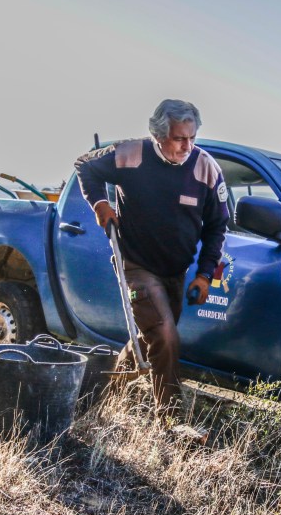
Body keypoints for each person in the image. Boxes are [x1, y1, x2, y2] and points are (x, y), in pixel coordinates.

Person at [74, 99, 228, 422]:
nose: (187, 146)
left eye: (192, 138)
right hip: (136, 264)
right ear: (159, 135)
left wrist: (204, 275)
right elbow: (85, 165)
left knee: (149, 340)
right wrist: (100, 204)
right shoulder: (132, 154)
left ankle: (103, 400)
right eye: (179, 138)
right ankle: (171, 420)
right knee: (166, 336)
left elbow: (217, 226)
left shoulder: (205, 168)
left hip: (175, 271)